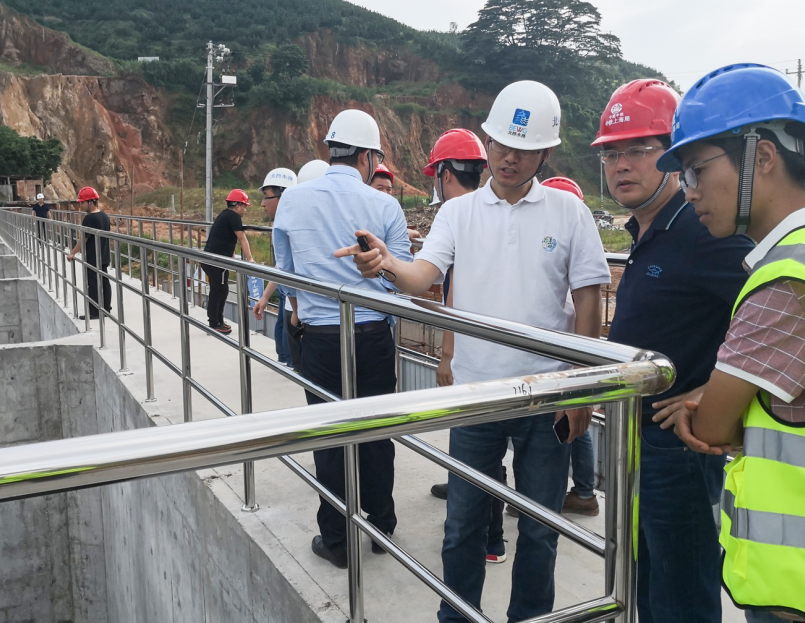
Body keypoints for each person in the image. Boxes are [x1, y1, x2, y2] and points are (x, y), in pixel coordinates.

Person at [337, 80, 610, 622]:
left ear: (545, 153)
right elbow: (424, 275)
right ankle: (457, 615)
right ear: (488, 142)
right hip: (475, 394)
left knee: (540, 527)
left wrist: (582, 389)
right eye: (502, 144)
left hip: (545, 396)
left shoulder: (569, 212)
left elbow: (588, 300)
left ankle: (529, 616)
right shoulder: (458, 214)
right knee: (462, 523)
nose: (509, 157)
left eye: (524, 148)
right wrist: (388, 264)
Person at [591, 78, 755, 623]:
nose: (622, 165)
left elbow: (779, 316)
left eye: (639, 150)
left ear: (675, 158)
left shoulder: (703, 232)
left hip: (678, 449)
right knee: (649, 583)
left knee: (680, 592)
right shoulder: (654, 229)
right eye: (611, 153)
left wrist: (712, 388)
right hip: (640, 441)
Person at [652, 64, 805, 623]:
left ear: (762, 156)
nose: (688, 190)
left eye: (696, 169)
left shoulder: (785, 278)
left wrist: (708, 404)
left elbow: (712, 427)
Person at [273, 109, 413, 569]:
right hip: (372, 336)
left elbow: (286, 272)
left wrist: (298, 310)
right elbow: (400, 277)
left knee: (330, 436)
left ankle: (337, 540)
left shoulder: (293, 200)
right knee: (376, 431)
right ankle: (382, 527)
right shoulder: (385, 205)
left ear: (332, 149)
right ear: (368, 157)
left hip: (319, 339)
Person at [418, 128, 511, 563]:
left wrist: (447, 354)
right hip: (502, 353)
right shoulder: (494, 210)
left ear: (445, 173)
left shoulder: (456, 216)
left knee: (480, 445)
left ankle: (491, 538)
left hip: (473, 356)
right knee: (485, 445)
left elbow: (452, 296)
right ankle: (486, 524)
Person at [541, 176, 600, 518]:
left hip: (565, 360)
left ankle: (580, 492)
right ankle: (583, 491)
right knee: (577, 427)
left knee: (574, 425)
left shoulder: (566, 239)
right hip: (568, 358)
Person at [252, 168, 297, 365]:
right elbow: (281, 265)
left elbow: (283, 266)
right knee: (282, 328)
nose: (262, 203)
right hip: (288, 295)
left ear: (284, 196)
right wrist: (264, 297)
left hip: (298, 302)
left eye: (266, 197)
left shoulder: (295, 227)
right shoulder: (282, 224)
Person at [201, 189, 255, 335]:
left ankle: (218, 320)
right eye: (244, 206)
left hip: (212, 259)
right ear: (237, 206)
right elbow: (242, 238)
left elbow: (227, 239)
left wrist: (232, 257)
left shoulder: (225, 215)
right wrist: (249, 259)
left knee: (221, 290)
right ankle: (214, 323)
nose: (245, 210)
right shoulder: (234, 217)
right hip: (216, 262)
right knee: (218, 291)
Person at [66, 186, 112, 320]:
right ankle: (106, 309)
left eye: (83, 202)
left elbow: (83, 240)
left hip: (93, 256)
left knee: (93, 284)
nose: (80, 205)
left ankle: (94, 312)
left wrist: (72, 253)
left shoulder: (89, 219)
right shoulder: (104, 216)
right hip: (104, 255)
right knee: (104, 281)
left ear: (91, 202)